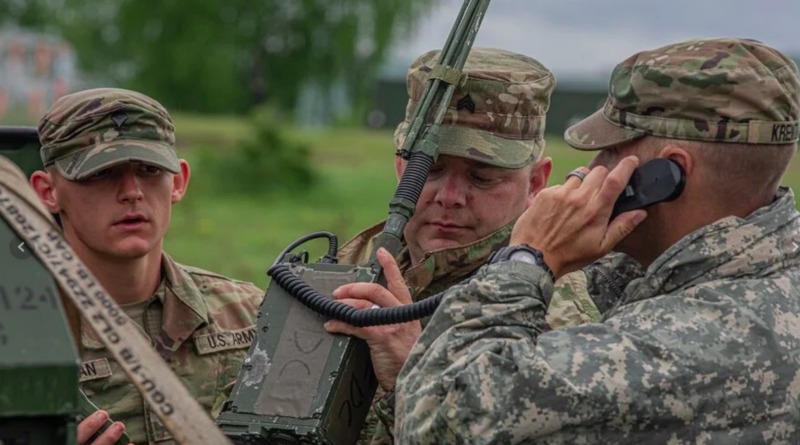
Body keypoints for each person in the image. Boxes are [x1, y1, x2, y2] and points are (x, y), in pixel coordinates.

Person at [394, 37, 800, 443]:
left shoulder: (682, 341)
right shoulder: (763, 283)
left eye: (608, 152)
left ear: (664, 177)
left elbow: (436, 423)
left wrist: (526, 258)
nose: (590, 169)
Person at [324, 48, 640, 444]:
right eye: (432, 168)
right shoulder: (339, 271)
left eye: (482, 177)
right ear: (402, 168)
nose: (450, 196)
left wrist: (415, 374)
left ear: (536, 183)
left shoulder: (571, 318)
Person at [30, 88, 264, 445]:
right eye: (101, 173)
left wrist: (384, 374)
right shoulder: (18, 334)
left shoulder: (251, 316)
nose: (131, 191)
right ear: (47, 192)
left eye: (150, 169)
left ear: (178, 182)